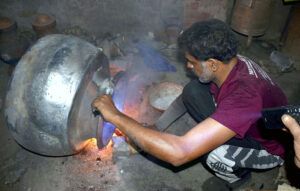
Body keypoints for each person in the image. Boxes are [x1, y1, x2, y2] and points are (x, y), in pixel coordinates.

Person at [92, 19, 287, 186]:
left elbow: (179, 153)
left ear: (212, 64)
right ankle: (218, 131)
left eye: (192, 62)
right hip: (251, 119)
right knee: (193, 90)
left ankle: (239, 180)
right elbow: (193, 94)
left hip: (269, 148)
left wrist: (116, 116)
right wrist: (156, 127)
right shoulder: (231, 62)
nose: (187, 66)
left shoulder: (243, 97)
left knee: (214, 155)